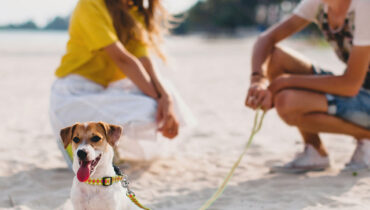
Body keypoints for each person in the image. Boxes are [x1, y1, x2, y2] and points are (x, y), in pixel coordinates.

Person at [50, 0, 195, 167]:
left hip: (107, 91)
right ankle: (74, 142)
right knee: (152, 108)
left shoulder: (133, 12)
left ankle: (105, 146)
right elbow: (122, 59)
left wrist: (166, 98)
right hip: (75, 93)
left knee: (169, 97)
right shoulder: (90, 3)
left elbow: (144, 61)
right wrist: (158, 99)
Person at [245, 0, 370, 173]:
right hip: (360, 89)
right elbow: (266, 38)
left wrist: (284, 81)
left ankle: (367, 138)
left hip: (357, 88)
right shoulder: (318, 3)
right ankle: (315, 151)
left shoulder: (365, 6)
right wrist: (258, 80)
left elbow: (350, 85)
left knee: (287, 102)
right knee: (275, 58)